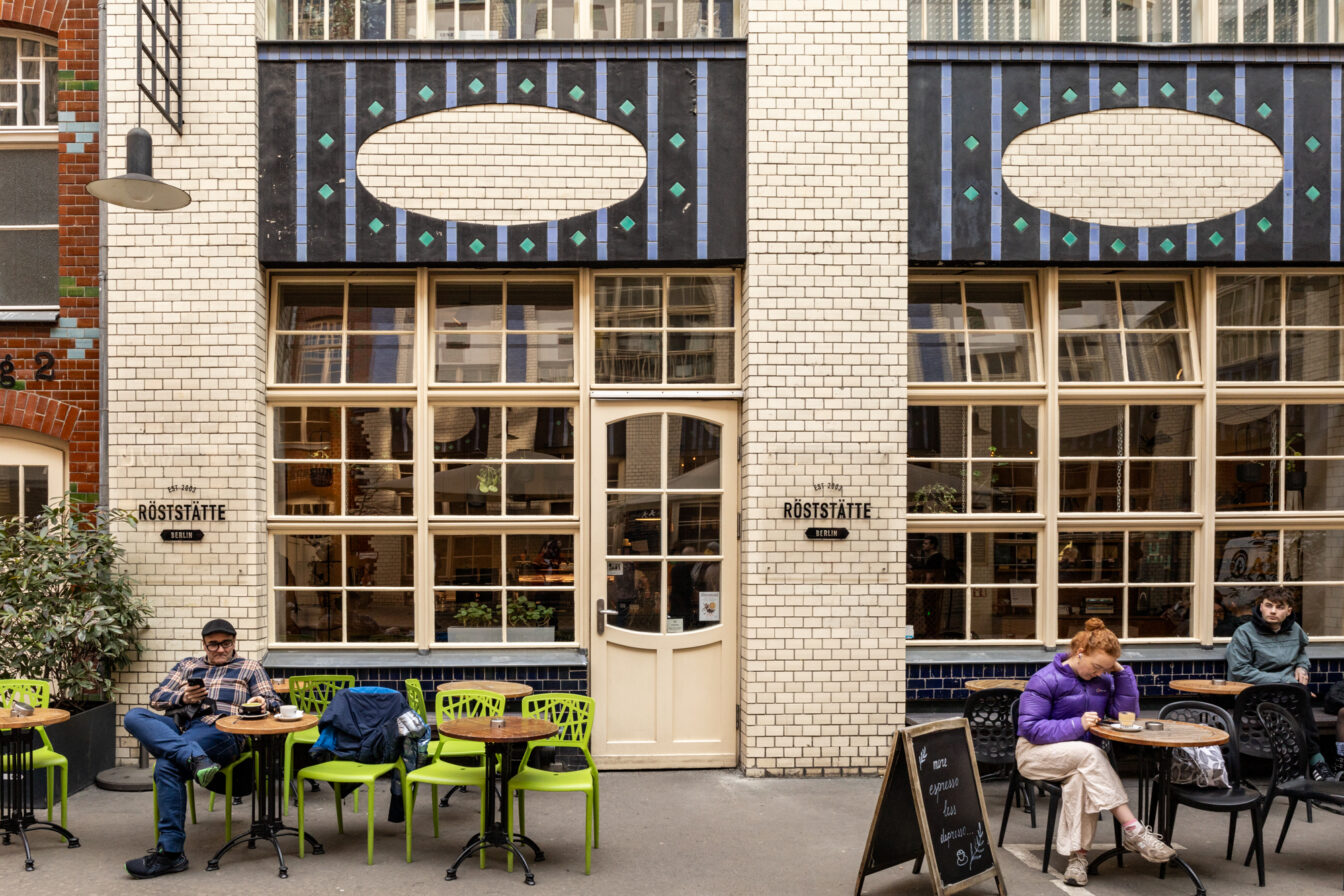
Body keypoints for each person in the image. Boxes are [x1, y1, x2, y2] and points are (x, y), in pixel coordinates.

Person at [1016, 618, 1175, 887]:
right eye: (1096, 666)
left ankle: (1077, 860)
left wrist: (1121, 673)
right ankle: (1134, 829)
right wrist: (1076, 724)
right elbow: (1030, 728)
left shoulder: (1104, 679)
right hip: (1036, 754)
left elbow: (1126, 715)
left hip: (1081, 760)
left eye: (1106, 668)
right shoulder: (1045, 679)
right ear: (1080, 653)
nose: (1099, 672)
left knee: (1082, 778)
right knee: (1090, 755)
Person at [122, 619, 280, 879]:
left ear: (234, 642)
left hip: (222, 730)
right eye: (214, 644)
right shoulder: (188, 665)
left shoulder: (249, 667)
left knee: (165, 766)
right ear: (204, 644)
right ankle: (192, 756)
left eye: (226, 643)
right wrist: (182, 697)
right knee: (134, 716)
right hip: (182, 730)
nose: (220, 649)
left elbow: (274, 700)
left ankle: (170, 854)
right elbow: (156, 697)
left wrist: (263, 701)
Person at [1226, 586, 1344, 780]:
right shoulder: (1244, 633)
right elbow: (1241, 671)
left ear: (1289, 610)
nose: (1273, 611)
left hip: (1288, 694)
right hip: (1252, 695)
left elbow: (1301, 655)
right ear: (1260, 607)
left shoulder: (1294, 630)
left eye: (1279, 607)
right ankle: (1315, 761)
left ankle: (1303, 766)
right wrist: (1285, 681)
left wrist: (1301, 668)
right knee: (1300, 696)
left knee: (1300, 697)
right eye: (1268, 605)